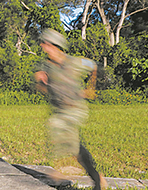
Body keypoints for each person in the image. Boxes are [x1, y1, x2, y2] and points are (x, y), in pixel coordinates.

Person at [34, 29, 107, 190]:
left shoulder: (74, 62)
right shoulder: (46, 67)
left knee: (59, 128)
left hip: (75, 108)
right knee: (76, 148)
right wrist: (41, 82)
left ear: (55, 45)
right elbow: (43, 90)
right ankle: (96, 178)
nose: (42, 46)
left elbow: (95, 66)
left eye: (45, 43)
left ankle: (64, 174)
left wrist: (90, 88)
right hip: (59, 110)